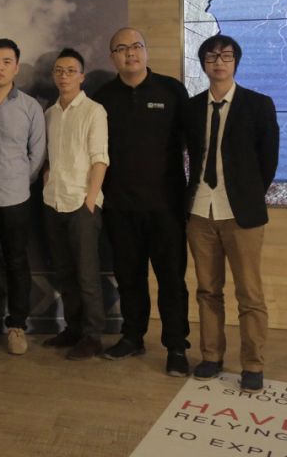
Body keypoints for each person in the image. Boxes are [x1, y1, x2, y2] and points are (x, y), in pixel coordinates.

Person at [183, 34, 279, 394]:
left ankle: (253, 363)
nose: (218, 62)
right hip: (199, 211)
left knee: (249, 293)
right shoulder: (192, 108)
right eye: (211, 57)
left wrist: (247, 194)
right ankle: (211, 357)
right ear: (203, 64)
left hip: (241, 214)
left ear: (235, 61)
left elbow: (268, 160)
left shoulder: (258, 104)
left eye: (225, 56)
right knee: (208, 290)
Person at [93, 28, 191, 376]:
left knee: (171, 280)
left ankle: (176, 346)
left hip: (166, 205)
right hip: (120, 206)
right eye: (121, 48)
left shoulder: (171, 90)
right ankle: (132, 336)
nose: (130, 53)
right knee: (129, 277)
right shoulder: (102, 97)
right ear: (112, 57)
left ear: (146, 51)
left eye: (136, 46)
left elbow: (190, 142)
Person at [0, 39, 46, 356]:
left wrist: (16, 181)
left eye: (6, 61)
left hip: (15, 198)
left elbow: (37, 156)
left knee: (17, 262)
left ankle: (17, 326)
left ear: (16, 67)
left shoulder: (30, 107)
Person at [41, 48, 109, 361]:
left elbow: (100, 159)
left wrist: (90, 201)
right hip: (53, 201)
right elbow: (48, 157)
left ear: (81, 76)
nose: (64, 76)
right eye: (59, 71)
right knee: (65, 272)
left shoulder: (94, 111)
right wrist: (47, 182)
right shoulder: (50, 113)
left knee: (87, 275)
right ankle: (73, 328)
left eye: (70, 71)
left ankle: (93, 336)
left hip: (82, 203)